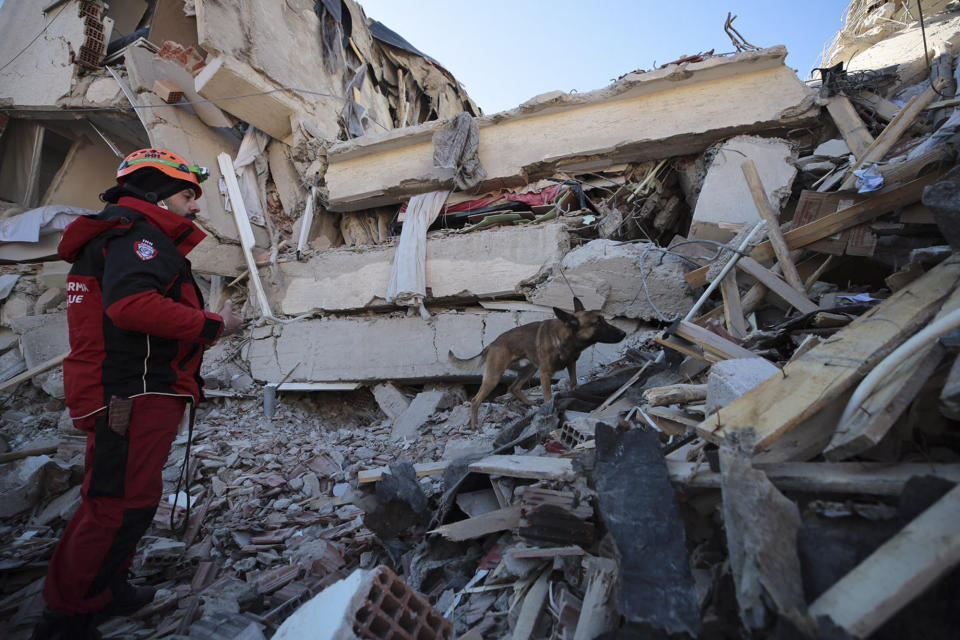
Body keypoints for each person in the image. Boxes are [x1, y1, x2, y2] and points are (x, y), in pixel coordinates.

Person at [33, 148, 243, 639]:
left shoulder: (122, 235)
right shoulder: (138, 236)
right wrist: (216, 324)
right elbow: (131, 307)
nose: (195, 207)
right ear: (156, 192)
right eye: (188, 195)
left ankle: (106, 590)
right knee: (112, 504)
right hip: (130, 394)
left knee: (134, 497)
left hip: (135, 391)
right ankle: (66, 617)